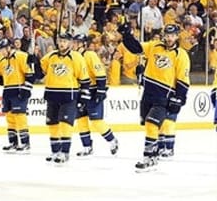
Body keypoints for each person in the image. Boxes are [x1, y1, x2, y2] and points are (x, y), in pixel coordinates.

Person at [119, 23, 190, 172]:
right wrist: (126, 35)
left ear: (177, 36)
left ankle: (149, 157)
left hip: (164, 97)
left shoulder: (181, 55)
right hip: (148, 94)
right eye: (167, 35)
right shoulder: (155, 46)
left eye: (172, 35)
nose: (169, 38)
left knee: (152, 124)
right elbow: (136, 48)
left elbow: (183, 79)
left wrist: (180, 97)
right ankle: (155, 153)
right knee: (148, 124)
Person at [40, 33, 90, 164]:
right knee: (52, 124)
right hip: (52, 94)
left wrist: (83, 97)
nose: (62, 44)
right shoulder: (50, 56)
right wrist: (33, 59)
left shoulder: (76, 57)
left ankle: (65, 152)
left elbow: (84, 79)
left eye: (65, 41)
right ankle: (55, 151)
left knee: (65, 124)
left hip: (69, 95)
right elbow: (41, 71)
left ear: (70, 43)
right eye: (60, 41)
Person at [72, 34, 119, 157]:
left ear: (83, 44)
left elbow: (100, 73)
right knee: (81, 120)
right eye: (74, 42)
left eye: (77, 42)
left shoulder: (90, 55)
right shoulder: (73, 57)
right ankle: (87, 146)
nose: (74, 44)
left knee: (96, 120)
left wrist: (101, 90)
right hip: (80, 91)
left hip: (93, 90)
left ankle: (112, 140)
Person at [0, 37, 35, 152]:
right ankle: (13, 142)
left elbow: (30, 74)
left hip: (19, 90)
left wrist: (26, 89)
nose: (0, 52)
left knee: (20, 116)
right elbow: (1, 79)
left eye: (2, 50)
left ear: (8, 48)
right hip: (7, 91)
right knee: (9, 117)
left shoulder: (21, 56)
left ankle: (25, 143)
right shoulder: (1, 61)